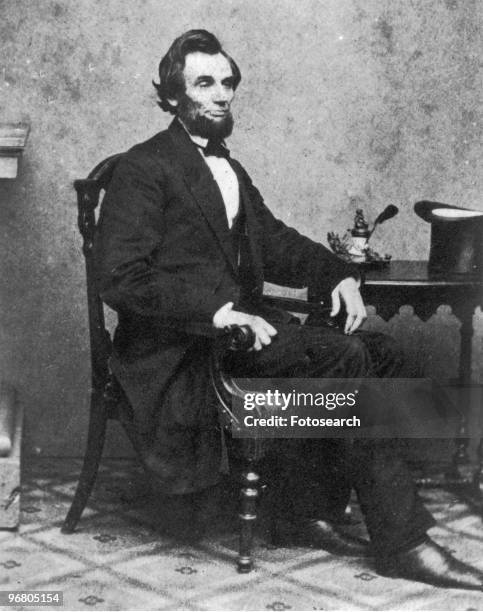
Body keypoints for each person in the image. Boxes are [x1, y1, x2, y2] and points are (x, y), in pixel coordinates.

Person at [94, 29, 483, 590]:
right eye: (205, 83)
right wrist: (217, 314)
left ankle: (308, 510)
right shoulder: (144, 167)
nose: (222, 94)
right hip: (183, 352)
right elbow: (120, 278)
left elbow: (274, 240)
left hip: (239, 337)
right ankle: (405, 543)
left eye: (228, 82)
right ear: (173, 97)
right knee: (346, 356)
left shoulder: (227, 166)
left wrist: (339, 275)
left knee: (386, 354)